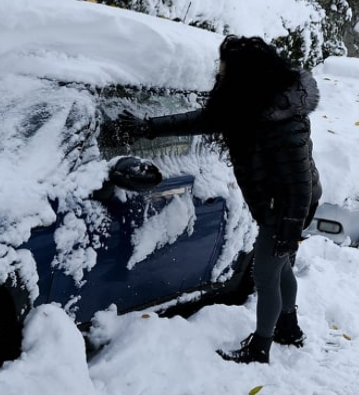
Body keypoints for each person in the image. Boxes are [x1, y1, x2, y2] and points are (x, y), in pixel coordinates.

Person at [111, 35, 321, 364]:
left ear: (245, 70)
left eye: (225, 64)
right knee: (279, 268)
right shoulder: (245, 101)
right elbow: (201, 120)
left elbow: (300, 182)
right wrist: (146, 128)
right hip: (272, 202)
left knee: (266, 272)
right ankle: (289, 329)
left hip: (288, 205)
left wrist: (290, 228)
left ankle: (260, 348)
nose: (219, 69)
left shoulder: (284, 118)